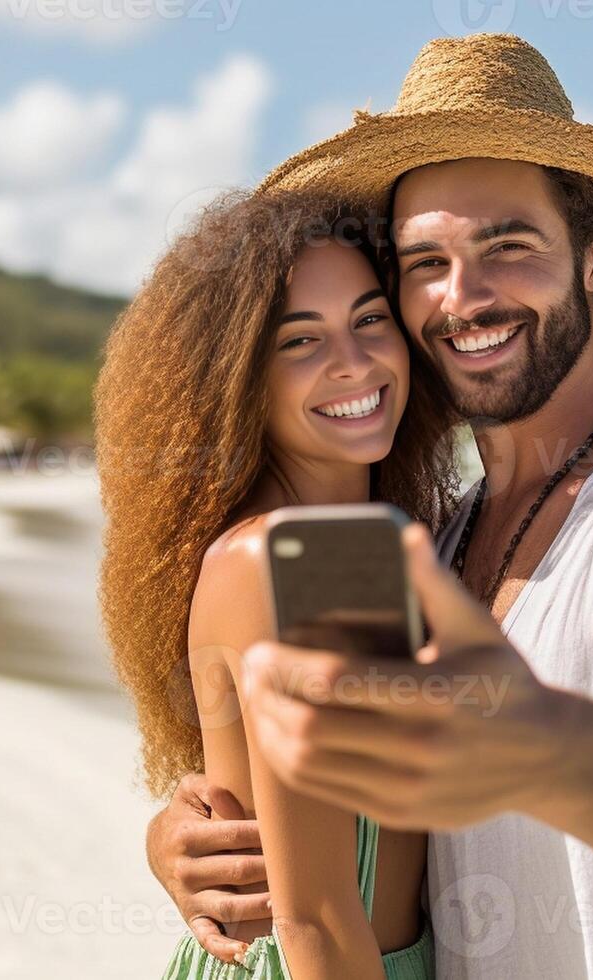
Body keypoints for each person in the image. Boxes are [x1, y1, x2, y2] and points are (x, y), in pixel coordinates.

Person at [143, 34, 593, 979]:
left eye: (507, 245)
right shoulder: (428, 541)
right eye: (425, 262)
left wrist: (549, 753)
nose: (463, 298)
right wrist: (193, 838)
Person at [94, 190, 459, 978]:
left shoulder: (375, 545)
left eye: (369, 320)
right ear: (237, 380)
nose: (353, 363)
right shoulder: (290, 558)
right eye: (301, 340)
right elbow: (318, 921)